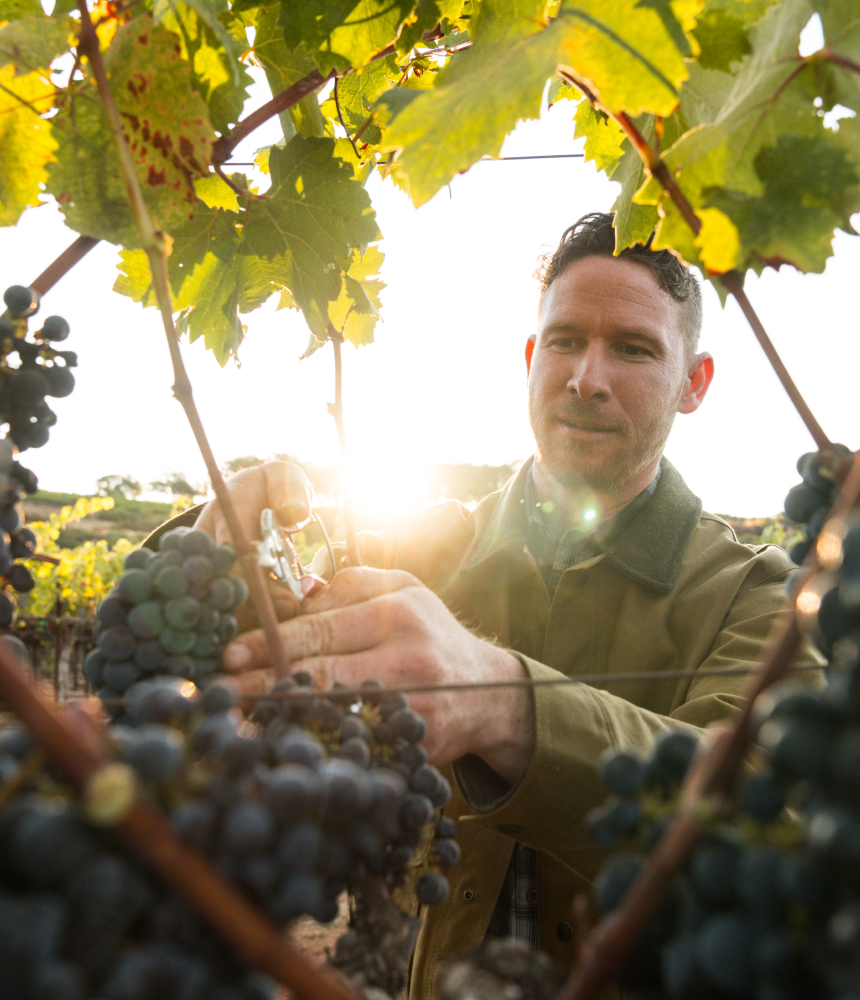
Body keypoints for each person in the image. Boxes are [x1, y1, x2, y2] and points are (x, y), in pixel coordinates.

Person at [159, 212, 821, 998]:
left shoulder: (764, 597)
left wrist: (505, 705)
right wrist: (219, 548)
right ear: (533, 358)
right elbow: (240, 639)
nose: (588, 378)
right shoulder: (419, 553)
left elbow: (765, 816)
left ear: (694, 383)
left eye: (634, 348)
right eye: (567, 341)